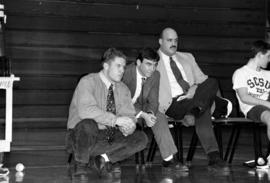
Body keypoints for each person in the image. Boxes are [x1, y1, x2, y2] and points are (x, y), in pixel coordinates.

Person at [66, 48, 148, 178]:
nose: (122, 70)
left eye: (124, 67)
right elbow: (86, 111)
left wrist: (129, 125)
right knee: (88, 124)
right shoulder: (87, 82)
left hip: (108, 136)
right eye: (118, 66)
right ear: (106, 66)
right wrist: (116, 120)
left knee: (141, 138)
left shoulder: (123, 89)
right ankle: (81, 164)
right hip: (82, 136)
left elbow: (129, 115)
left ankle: (104, 158)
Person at [156, 27, 229, 171]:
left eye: (176, 40)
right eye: (169, 40)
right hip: (172, 103)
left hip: (193, 99)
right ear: (160, 41)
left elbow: (204, 81)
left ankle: (196, 110)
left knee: (212, 82)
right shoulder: (153, 60)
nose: (173, 43)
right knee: (204, 106)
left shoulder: (187, 57)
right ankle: (213, 156)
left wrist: (194, 87)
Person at [122, 47, 188, 171]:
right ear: (138, 63)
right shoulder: (125, 72)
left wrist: (150, 114)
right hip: (123, 109)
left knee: (159, 115)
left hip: (141, 108)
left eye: (155, 65)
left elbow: (153, 101)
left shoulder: (155, 75)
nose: (152, 69)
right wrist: (143, 115)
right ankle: (110, 159)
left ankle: (168, 159)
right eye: (148, 64)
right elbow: (122, 102)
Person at [233, 40, 270, 146]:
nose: (269, 60)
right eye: (268, 56)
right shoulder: (241, 73)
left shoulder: (268, 74)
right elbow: (244, 97)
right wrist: (267, 104)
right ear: (259, 55)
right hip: (252, 107)